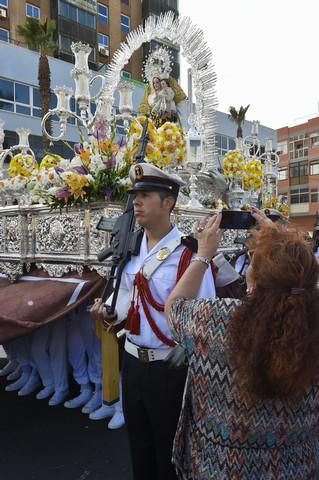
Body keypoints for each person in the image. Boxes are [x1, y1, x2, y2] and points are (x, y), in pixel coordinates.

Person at [165, 210, 319, 480]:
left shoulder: (216, 320)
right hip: (298, 467)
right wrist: (281, 244)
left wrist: (203, 254)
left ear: (253, 279)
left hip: (218, 468)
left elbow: (174, 307)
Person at [90, 163, 218, 480]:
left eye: (145, 195)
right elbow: (123, 302)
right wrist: (108, 312)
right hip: (132, 363)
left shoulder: (190, 255)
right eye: (135, 195)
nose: (136, 202)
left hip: (171, 370)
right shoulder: (130, 249)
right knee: (140, 451)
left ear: (168, 202)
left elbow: (205, 317)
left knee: (169, 456)